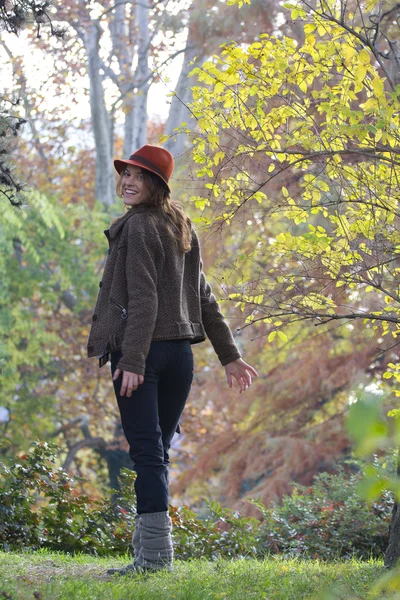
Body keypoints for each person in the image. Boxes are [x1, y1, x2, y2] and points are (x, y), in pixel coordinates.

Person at [87, 144, 258, 575]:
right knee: (156, 454)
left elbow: (143, 301)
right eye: (125, 174)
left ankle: (156, 558)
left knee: (147, 454)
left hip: (142, 354)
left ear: (156, 184)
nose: (128, 181)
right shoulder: (181, 225)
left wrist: (134, 361)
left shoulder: (140, 227)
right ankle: (148, 555)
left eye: (138, 176)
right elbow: (204, 299)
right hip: (180, 355)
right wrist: (230, 357)